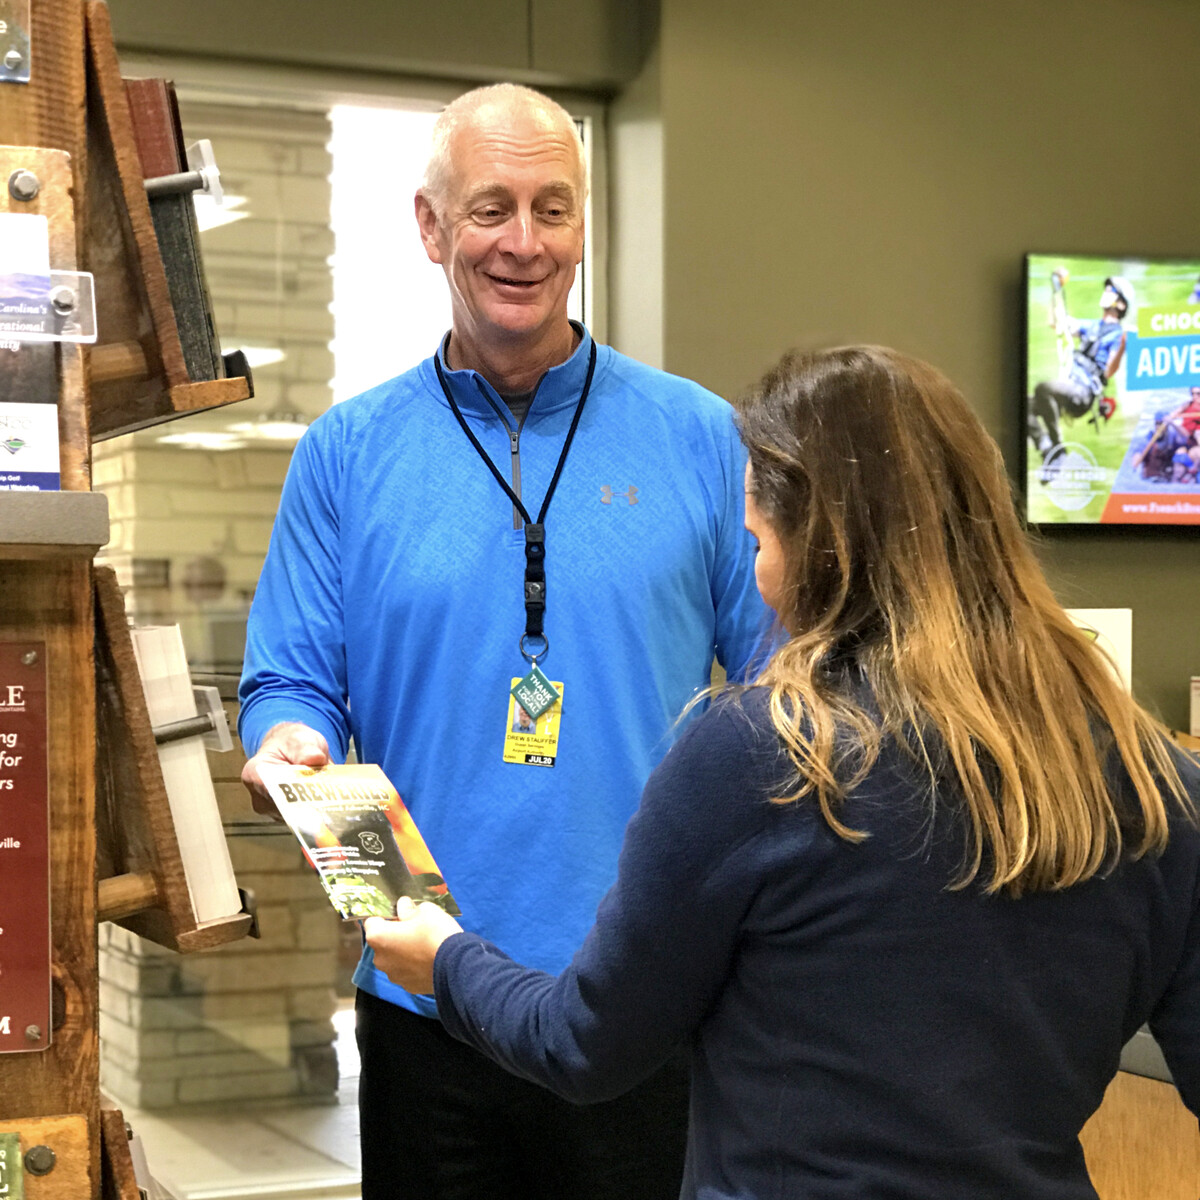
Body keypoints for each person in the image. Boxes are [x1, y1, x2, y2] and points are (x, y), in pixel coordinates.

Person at [366, 344, 1200, 1200]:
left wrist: (449, 961)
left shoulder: (761, 758)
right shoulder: (1157, 782)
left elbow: (584, 1045)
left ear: (819, 542)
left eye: (759, 542)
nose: (761, 581)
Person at [237, 83, 768, 1200]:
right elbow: (291, 681)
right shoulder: (346, 454)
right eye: (490, 209)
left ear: (585, 226)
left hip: (641, 997)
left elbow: (789, 688)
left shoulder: (702, 437)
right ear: (431, 227)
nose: (524, 243)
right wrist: (290, 741)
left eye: (553, 208)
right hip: (424, 993)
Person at [1029, 274, 1133, 462]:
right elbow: (1056, 323)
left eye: (1112, 291)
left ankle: (1058, 447)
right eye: (1106, 290)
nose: (1106, 293)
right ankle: (1047, 450)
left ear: (1121, 305)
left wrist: (1123, 347)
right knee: (1026, 406)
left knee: (1042, 388)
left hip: (1082, 393)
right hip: (1069, 385)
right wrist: (1055, 292)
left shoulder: (1118, 335)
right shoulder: (1091, 326)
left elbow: (1109, 370)